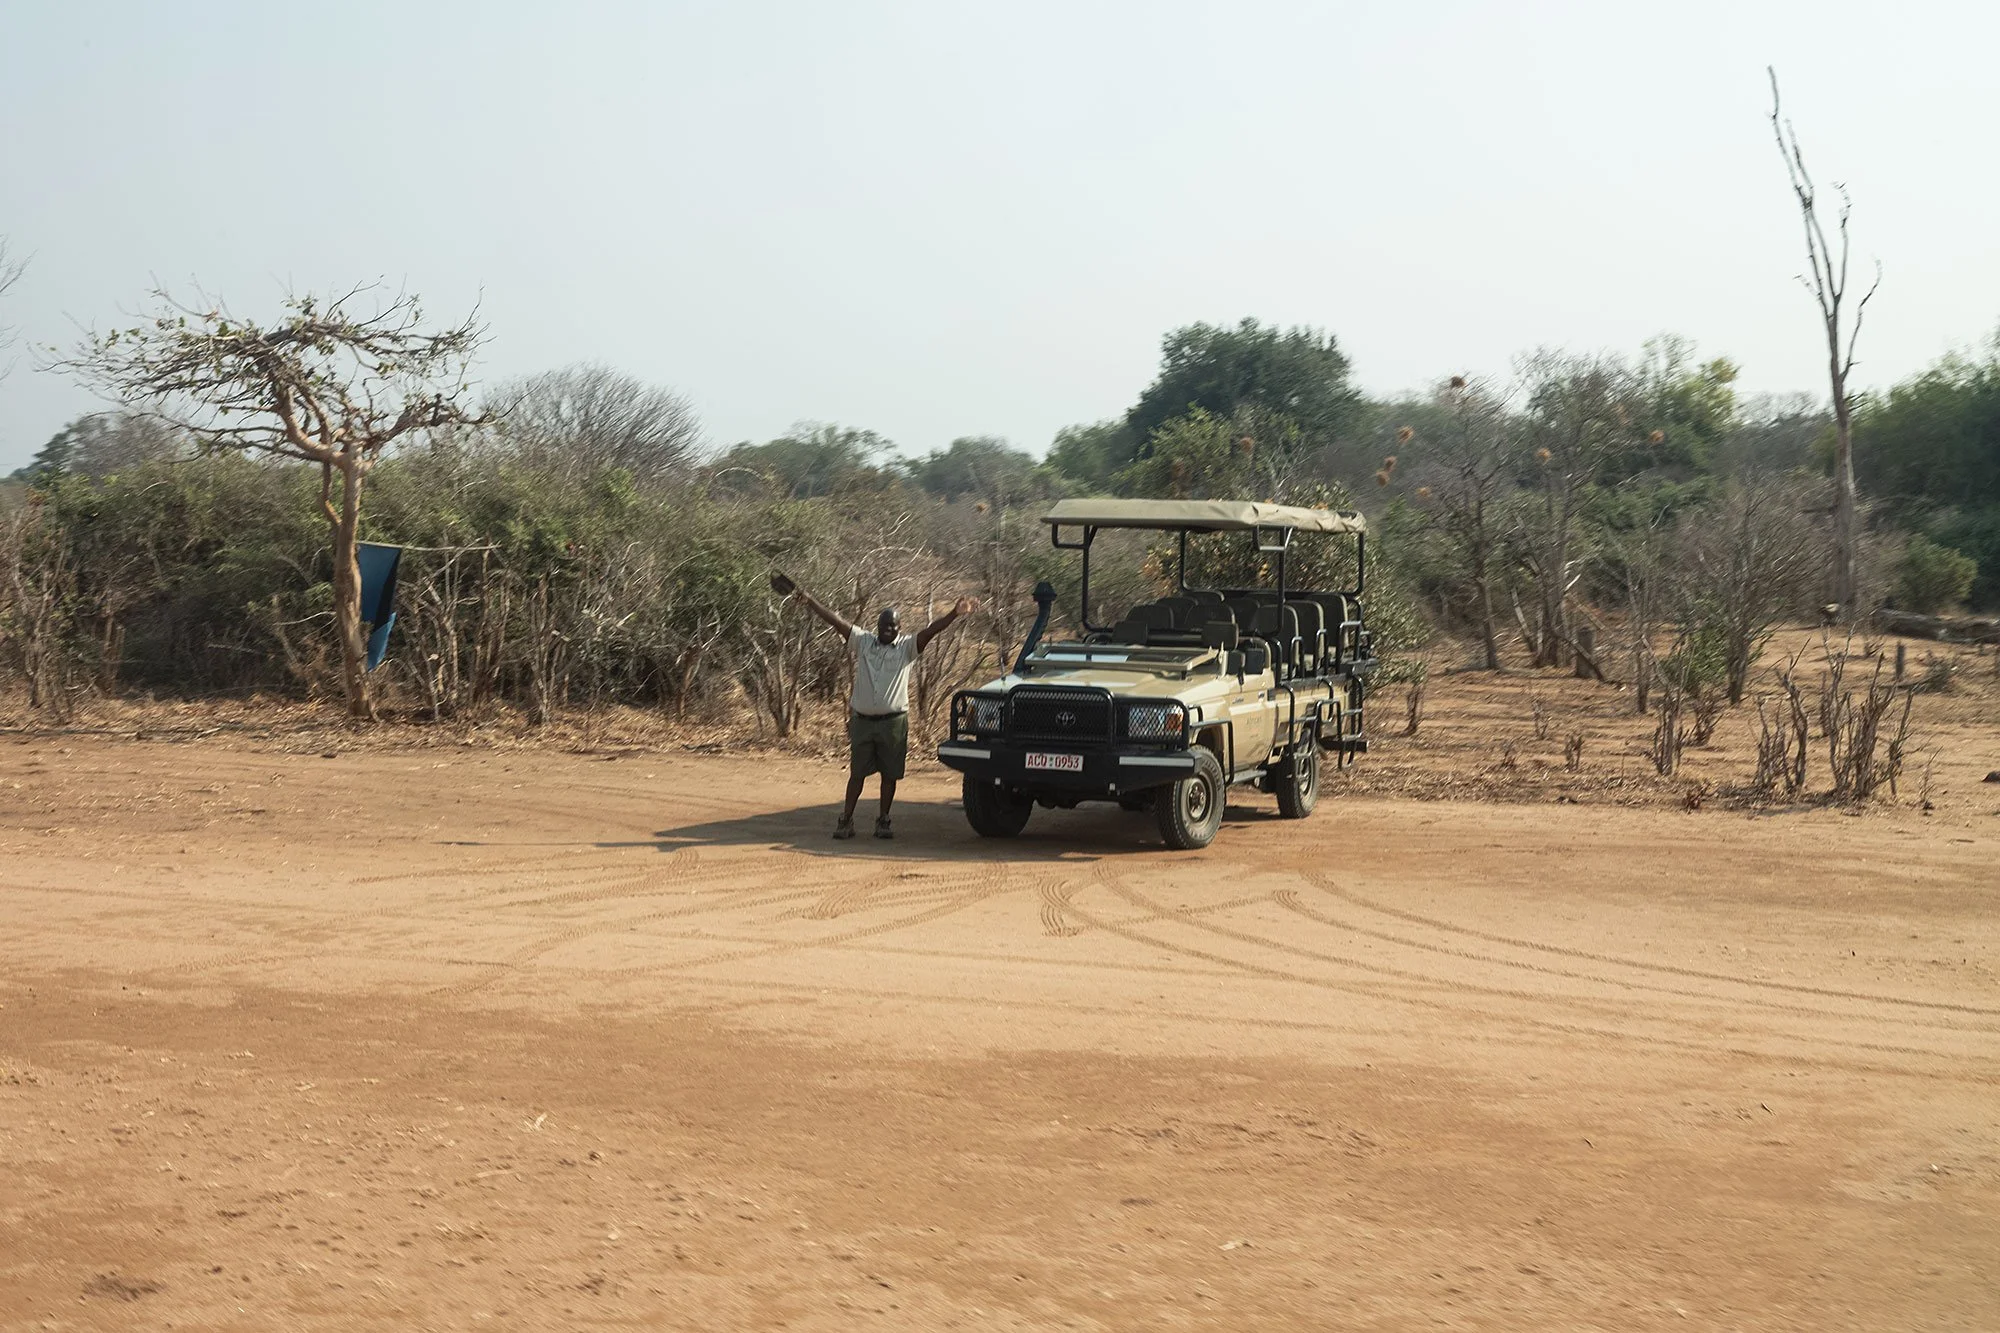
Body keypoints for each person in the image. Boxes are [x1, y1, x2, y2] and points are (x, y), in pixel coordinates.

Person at [773, 574, 978, 840]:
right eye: (884, 625)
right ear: (877, 625)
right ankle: (846, 819)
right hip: (863, 721)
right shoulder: (863, 642)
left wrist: (954, 613)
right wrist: (809, 601)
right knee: (857, 774)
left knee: (889, 775)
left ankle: (883, 820)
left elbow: (931, 630)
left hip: (893, 722)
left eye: (892, 626)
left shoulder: (907, 647)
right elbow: (835, 620)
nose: (887, 630)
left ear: (899, 628)